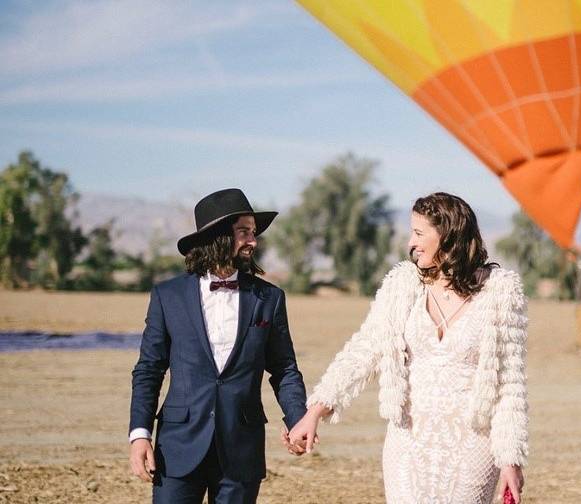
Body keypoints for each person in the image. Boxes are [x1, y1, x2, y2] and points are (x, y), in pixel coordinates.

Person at [286, 192, 529, 504]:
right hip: (408, 439)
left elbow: (510, 383)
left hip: (473, 445)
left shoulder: (500, 291)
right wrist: (315, 410)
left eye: (418, 233)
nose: (410, 244)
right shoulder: (402, 284)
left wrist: (511, 458)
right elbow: (364, 350)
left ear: (448, 233)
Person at [129, 188, 308, 503]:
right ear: (218, 236)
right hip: (177, 448)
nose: (252, 241)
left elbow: (284, 368)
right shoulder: (167, 296)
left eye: (253, 233)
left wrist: (298, 420)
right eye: (244, 232)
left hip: (241, 450)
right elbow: (149, 370)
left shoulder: (270, 298)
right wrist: (139, 434)